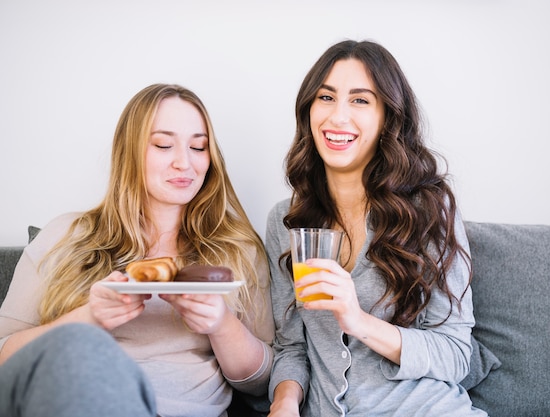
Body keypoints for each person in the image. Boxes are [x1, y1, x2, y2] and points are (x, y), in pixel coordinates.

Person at [0, 84, 274, 417]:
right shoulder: (65, 236)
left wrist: (222, 324)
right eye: (163, 144)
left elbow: (262, 384)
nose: (184, 162)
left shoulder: (237, 249)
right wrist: (88, 318)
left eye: (198, 147)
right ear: (129, 151)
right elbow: (5, 357)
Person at [265, 40, 487, 416]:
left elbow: (455, 354)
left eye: (360, 100)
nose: (337, 117)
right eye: (326, 97)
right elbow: (292, 349)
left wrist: (359, 321)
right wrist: (284, 402)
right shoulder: (286, 221)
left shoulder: (428, 208)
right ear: (308, 110)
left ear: (388, 117)